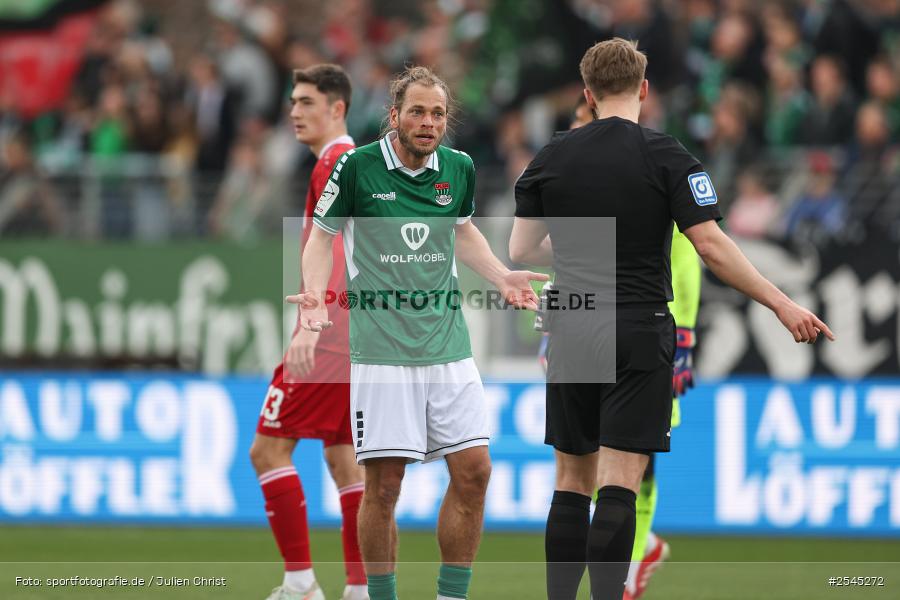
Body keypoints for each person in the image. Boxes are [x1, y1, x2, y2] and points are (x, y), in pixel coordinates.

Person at [509, 38, 834, 600]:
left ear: (586, 93)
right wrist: (781, 302)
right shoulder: (668, 155)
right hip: (638, 323)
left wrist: (586, 245)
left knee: (570, 482)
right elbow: (710, 246)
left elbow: (522, 248)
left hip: (572, 322)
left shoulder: (553, 155)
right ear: (644, 89)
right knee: (620, 484)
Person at [288, 66, 547, 600]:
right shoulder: (358, 168)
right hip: (381, 353)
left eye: (438, 114)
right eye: (418, 112)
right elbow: (321, 235)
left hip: (448, 348)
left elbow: (462, 229)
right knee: (383, 486)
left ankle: (451, 596)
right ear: (395, 116)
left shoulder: (459, 167)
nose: (428, 123)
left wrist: (500, 275)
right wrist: (314, 293)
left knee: (474, 472)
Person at [249, 64, 367, 600]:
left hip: (332, 333)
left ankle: (300, 584)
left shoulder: (335, 164)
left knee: (268, 450)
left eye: (305, 102)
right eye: (292, 102)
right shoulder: (351, 162)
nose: (294, 112)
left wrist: (312, 324)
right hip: (356, 333)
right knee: (345, 461)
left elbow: (337, 251)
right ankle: (361, 589)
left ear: (337, 108)